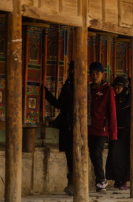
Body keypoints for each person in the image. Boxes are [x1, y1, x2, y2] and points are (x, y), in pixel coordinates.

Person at [44, 61, 76, 196]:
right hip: (68, 125)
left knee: (77, 154)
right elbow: (60, 104)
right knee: (70, 154)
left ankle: (77, 183)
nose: (70, 71)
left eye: (72, 69)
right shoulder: (68, 85)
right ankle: (72, 183)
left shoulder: (85, 86)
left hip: (79, 125)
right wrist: (46, 94)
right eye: (71, 69)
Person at [88, 62, 117, 192]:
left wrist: (113, 133)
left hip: (102, 129)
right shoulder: (87, 89)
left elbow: (112, 112)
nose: (94, 76)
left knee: (96, 153)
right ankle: (100, 180)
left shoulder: (107, 90)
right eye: (92, 74)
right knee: (92, 155)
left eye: (97, 74)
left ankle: (101, 180)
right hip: (89, 127)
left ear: (102, 74)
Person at [106, 76, 131, 190]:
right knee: (114, 157)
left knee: (125, 157)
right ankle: (117, 178)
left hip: (127, 132)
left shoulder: (130, 100)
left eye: (119, 88)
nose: (116, 90)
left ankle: (124, 180)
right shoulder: (113, 100)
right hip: (115, 131)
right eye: (115, 88)